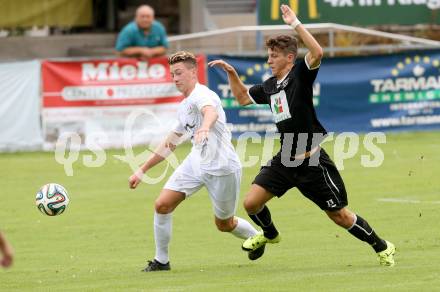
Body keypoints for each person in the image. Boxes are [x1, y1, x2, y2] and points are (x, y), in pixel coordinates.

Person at [208, 4, 396, 266]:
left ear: (289, 58)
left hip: (312, 161)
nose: (269, 60)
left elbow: (317, 51)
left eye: (273, 56)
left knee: (339, 215)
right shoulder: (270, 86)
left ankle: (382, 245)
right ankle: (270, 234)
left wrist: (295, 23)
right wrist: (232, 74)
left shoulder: (300, 75)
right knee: (251, 203)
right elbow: (241, 98)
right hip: (286, 158)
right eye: (268, 55)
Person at [128, 51, 262, 272]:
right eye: (172, 74)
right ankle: (161, 261)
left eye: (179, 73)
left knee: (224, 224)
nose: (175, 78)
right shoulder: (184, 105)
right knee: (162, 205)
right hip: (196, 160)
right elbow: (171, 142)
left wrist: (205, 127)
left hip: (221, 167)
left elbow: (210, 112)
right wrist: (142, 170)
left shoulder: (202, 95)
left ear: (193, 71)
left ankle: (257, 236)